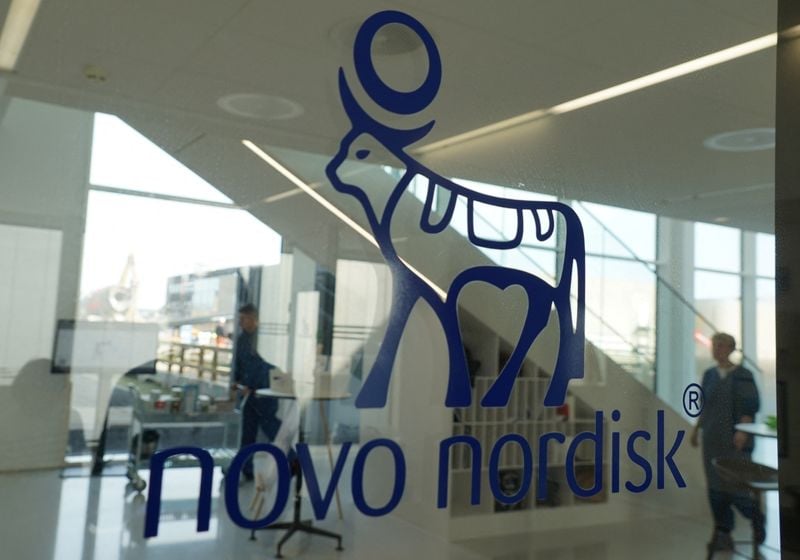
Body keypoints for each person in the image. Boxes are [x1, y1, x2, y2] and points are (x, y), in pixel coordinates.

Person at [691, 332, 763, 552]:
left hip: (735, 441)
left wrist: (742, 431)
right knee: (715, 488)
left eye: (722, 346)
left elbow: (750, 406)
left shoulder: (743, 375)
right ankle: (724, 533)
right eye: (715, 345)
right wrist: (696, 429)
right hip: (712, 439)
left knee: (736, 487)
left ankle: (756, 518)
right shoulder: (709, 375)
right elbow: (704, 406)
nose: (717, 349)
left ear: (731, 349)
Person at [231, 303, 281, 481]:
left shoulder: (263, 339)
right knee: (248, 433)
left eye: (244, 319)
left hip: (264, 391)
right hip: (248, 392)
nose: (241, 322)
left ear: (254, 319)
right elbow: (239, 363)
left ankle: (293, 460)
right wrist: (236, 381)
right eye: (240, 318)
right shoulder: (242, 339)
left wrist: (253, 385)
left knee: (270, 428)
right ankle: (246, 469)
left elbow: (266, 366)